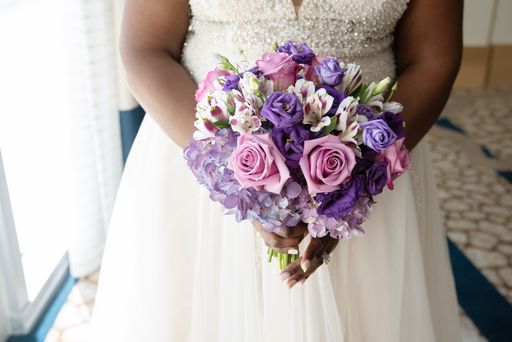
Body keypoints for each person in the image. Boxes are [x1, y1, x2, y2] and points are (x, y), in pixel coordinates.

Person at [91, 0, 463, 341]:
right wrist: (237, 178)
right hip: (204, 168)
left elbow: (434, 59)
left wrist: (351, 190)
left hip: (368, 175)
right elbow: (146, 48)